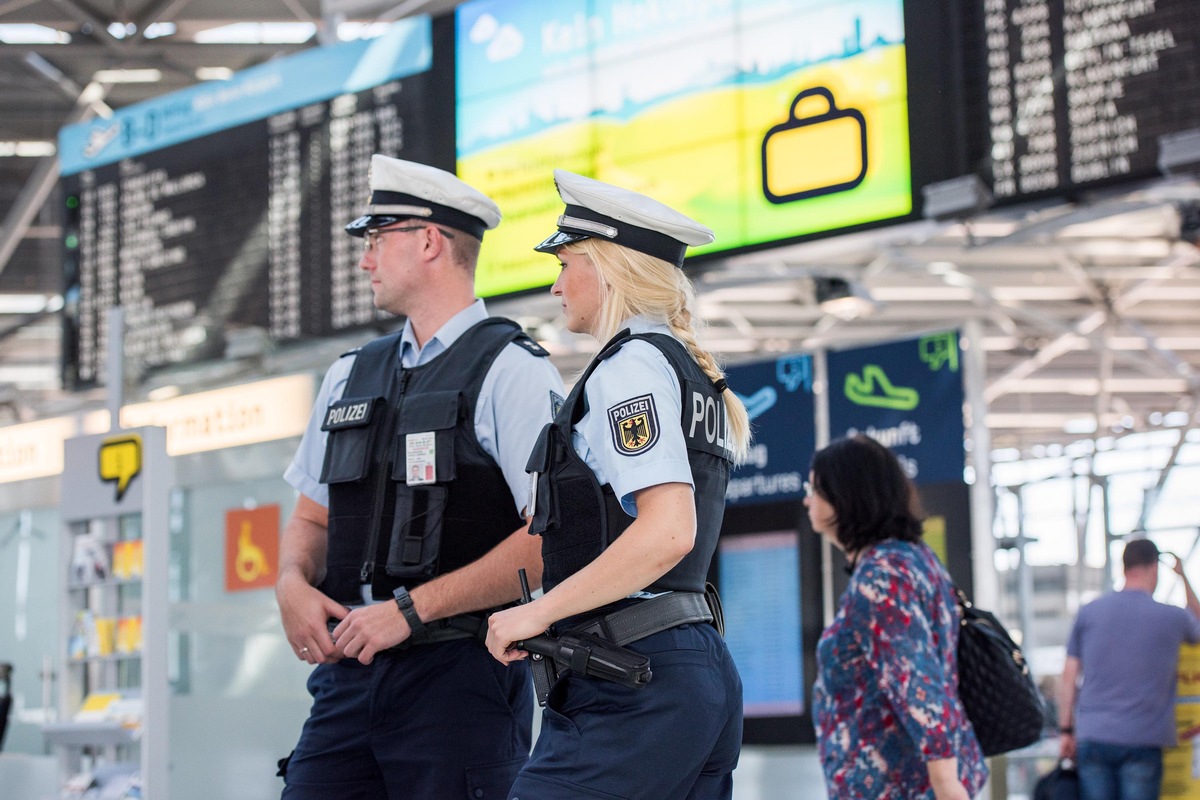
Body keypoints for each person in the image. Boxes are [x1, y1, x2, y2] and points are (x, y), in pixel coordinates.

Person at [275, 155, 565, 799]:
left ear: (429, 241)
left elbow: (548, 539)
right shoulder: (347, 375)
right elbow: (310, 518)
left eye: (377, 240)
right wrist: (290, 582)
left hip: (460, 683)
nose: (364, 260)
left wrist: (411, 610)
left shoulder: (512, 370)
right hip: (348, 678)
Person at [484, 170, 750, 799]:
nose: (554, 283)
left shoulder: (629, 369)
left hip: (632, 684)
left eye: (565, 261)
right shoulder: (687, 372)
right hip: (686, 666)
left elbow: (668, 532)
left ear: (608, 269)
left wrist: (535, 614)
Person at [807, 435, 987, 800]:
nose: (807, 498)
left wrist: (947, 785)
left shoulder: (882, 576)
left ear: (845, 496)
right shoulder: (914, 558)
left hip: (901, 786)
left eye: (813, 487)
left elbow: (920, 688)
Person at [1059, 538, 1200, 800]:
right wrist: (1183, 578)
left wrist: (1065, 729)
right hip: (1143, 737)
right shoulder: (1172, 617)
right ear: (1154, 568)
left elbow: (1069, 675)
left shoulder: (1089, 612)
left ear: (1124, 567)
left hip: (1094, 736)